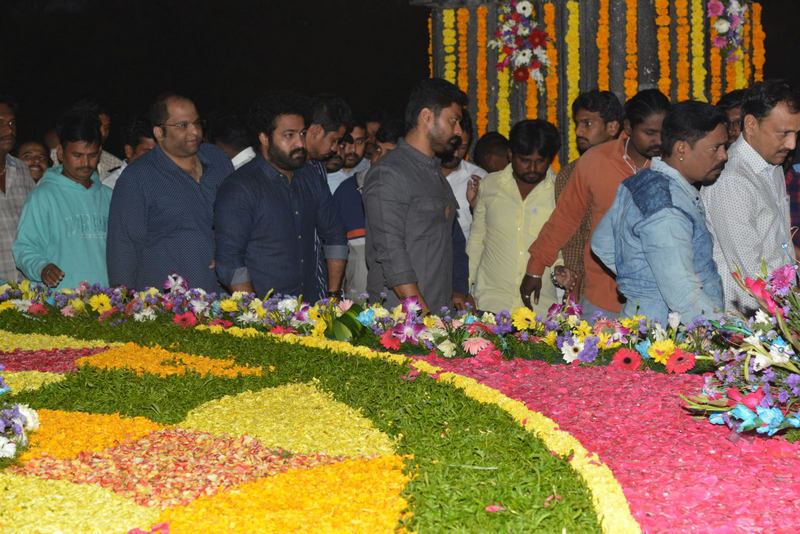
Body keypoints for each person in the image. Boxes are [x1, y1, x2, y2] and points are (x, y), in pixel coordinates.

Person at [520, 89, 671, 318]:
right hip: (602, 299)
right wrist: (535, 268)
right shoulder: (595, 161)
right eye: (650, 133)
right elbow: (564, 219)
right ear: (628, 127)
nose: (659, 141)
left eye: (663, 133)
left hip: (660, 300)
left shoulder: (673, 165)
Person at [591, 101, 727, 325]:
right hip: (667, 340)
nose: (724, 156)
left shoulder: (641, 181)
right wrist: (726, 335)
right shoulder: (667, 206)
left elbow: (601, 243)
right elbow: (682, 294)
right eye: (716, 148)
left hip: (644, 322)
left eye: (725, 147)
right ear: (681, 148)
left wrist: (645, 278)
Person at [214, 91, 347, 298]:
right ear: (264, 138)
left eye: (302, 134)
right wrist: (256, 316)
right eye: (289, 135)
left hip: (311, 311)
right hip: (265, 317)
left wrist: (333, 294)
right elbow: (229, 261)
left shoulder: (310, 177)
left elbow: (335, 235)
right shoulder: (240, 187)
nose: (300, 144)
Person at [107, 94, 234, 292]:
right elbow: (123, 248)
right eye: (183, 125)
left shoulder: (217, 160)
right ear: (159, 132)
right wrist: (124, 305)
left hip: (225, 297)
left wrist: (229, 249)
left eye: (197, 123)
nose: (194, 131)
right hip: (170, 308)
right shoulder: (137, 178)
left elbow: (240, 218)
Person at [363, 78, 466, 312]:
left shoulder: (434, 173)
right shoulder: (390, 173)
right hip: (403, 323)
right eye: (453, 120)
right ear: (427, 117)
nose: (458, 131)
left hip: (438, 314)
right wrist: (421, 316)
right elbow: (391, 252)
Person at [701, 80, 800, 314]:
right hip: (748, 319)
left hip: (777, 309)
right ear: (751, 124)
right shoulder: (733, 180)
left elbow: (778, 244)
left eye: (796, 134)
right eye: (783, 133)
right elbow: (751, 271)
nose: (792, 144)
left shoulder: (770, 165)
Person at [468, 119, 563, 314]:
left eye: (540, 161)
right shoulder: (490, 185)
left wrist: (561, 270)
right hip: (490, 303)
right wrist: (467, 288)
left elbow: (563, 246)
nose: (532, 168)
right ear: (511, 155)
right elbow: (477, 240)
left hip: (539, 308)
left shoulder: (560, 191)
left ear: (551, 158)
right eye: (525, 161)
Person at [13, 107, 112, 288]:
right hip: (59, 307)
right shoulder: (43, 197)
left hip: (106, 304)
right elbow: (24, 247)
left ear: (99, 154)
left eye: (91, 156)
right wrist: (42, 268)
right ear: (60, 153)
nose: (85, 163)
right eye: (77, 155)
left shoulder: (109, 197)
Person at [554, 90, 623, 300]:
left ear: (612, 127)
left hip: (638, 289)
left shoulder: (634, 166)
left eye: (587, 124)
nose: (578, 131)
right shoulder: (570, 173)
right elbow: (572, 238)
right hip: (592, 291)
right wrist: (575, 283)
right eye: (577, 124)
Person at [0, 95, 36, 282]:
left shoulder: (21, 170)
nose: (9, 130)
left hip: (24, 294)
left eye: (12, 123)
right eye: (1, 123)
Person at [442, 110, 486, 240]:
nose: (455, 153)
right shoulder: (420, 174)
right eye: (452, 145)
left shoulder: (480, 177)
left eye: (462, 147)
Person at [102, 116, 156, 189]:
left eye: (158, 152)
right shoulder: (111, 186)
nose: (155, 157)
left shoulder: (164, 180)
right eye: (147, 152)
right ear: (129, 151)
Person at [326, 121, 368, 194]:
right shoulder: (322, 172)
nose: (353, 149)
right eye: (347, 142)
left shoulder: (371, 170)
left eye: (359, 142)